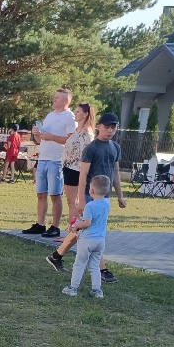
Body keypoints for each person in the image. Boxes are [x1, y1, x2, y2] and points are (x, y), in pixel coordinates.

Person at [45, 112, 126, 282]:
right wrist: (81, 198)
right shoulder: (91, 148)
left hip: (105, 197)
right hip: (90, 196)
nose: (110, 130)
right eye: (107, 127)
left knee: (85, 230)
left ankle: (56, 256)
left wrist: (120, 195)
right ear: (99, 127)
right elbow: (83, 175)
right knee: (92, 231)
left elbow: (115, 173)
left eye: (114, 127)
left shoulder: (115, 148)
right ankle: (102, 270)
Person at [23, 88, 77, 237]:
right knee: (41, 194)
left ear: (66, 101)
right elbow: (42, 140)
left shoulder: (70, 117)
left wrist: (52, 137)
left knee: (55, 195)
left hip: (57, 160)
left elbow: (71, 141)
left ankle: (55, 226)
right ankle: (40, 224)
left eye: (57, 98)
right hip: (43, 158)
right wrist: (37, 135)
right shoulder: (50, 115)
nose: (54, 100)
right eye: (54, 97)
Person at [61, 175, 113, 299]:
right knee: (94, 266)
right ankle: (97, 290)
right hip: (100, 240)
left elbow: (87, 223)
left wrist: (76, 226)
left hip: (87, 240)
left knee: (79, 263)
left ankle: (73, 288)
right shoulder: (107, 203)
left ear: (92, 190)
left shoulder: (90, 206)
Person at [62, 103, 96, 221]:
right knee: (71, 202)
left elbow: (86, 153)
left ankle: (73, 231)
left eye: (78, 112)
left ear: (86, 114)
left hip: (76, 170)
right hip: (69, 167)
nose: (75, 114)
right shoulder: (77, 129)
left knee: (73, 202)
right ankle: (72, 229)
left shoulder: (86, 132)